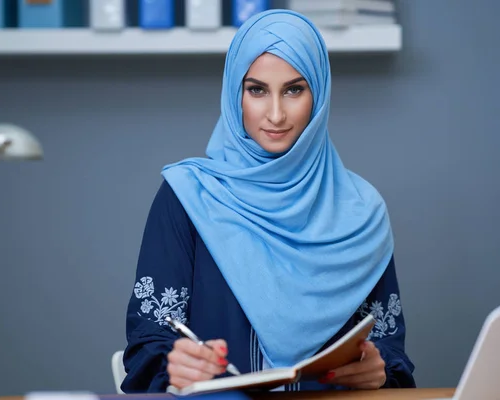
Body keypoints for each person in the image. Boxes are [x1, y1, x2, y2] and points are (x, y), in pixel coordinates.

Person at [121, 8, 416, 394]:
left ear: (320, 95)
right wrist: (175, 364)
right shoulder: (187, 197)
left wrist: (379, 370)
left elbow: (389, 349)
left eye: (294, 89)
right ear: (234, 94)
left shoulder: (361, 211)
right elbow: (147, 345)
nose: (275, 114)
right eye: (257, 90)